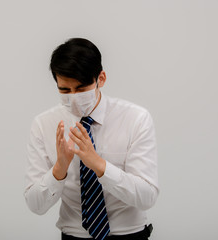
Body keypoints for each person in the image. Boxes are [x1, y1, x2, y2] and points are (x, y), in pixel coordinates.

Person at [24, 38, 159, 240]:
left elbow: (147, 197)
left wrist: (99, 165)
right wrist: (59, 169)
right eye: (64, 90)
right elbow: (35, 205)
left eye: (80, 89)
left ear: (101, 79)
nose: (73, 97)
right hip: (73, 235)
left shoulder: (136, 119)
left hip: (129, 234)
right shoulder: (44, 124)